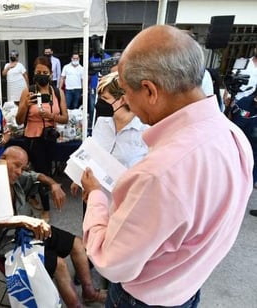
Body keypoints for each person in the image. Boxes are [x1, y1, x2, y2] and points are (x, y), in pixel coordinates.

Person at [81, 25, 254, 308]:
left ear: (149, 90)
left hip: (142, 299)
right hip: (186, 289)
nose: (125, 103)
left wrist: (97, 196)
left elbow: (110, 262)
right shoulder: (233, 136)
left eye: (125, 92)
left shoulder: (158, 173)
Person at [1, 146, 106, 307]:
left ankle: (89, 292)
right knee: (60, 264)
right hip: (13, 242)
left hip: (32, 229)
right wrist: (24, 221)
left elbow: (38, 175)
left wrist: (54, 185)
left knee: (77, 243)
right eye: (16, 165)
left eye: (23, 167)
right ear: (2, 159)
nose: (20, 172)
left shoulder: (17, 178)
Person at [15, 56, 68, 222]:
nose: (42, 75)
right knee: (41, 172)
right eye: (38, 72)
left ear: (51, 73)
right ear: (34, 73)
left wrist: (51, 115)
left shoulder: (57, 92)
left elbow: (65, 118)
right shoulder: (28, 91)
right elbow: (18, 120)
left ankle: (33, 195)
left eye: (45, 72)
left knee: (47, 171)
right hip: (33, 138)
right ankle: (46, 208)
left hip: (50, 138)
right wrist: (24, 105)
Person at [229, 88, 257, 217]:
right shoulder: (245, 102)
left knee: (248, 182)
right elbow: (231, 120)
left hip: (254, 155)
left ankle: (236, 206)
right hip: (235, 150)